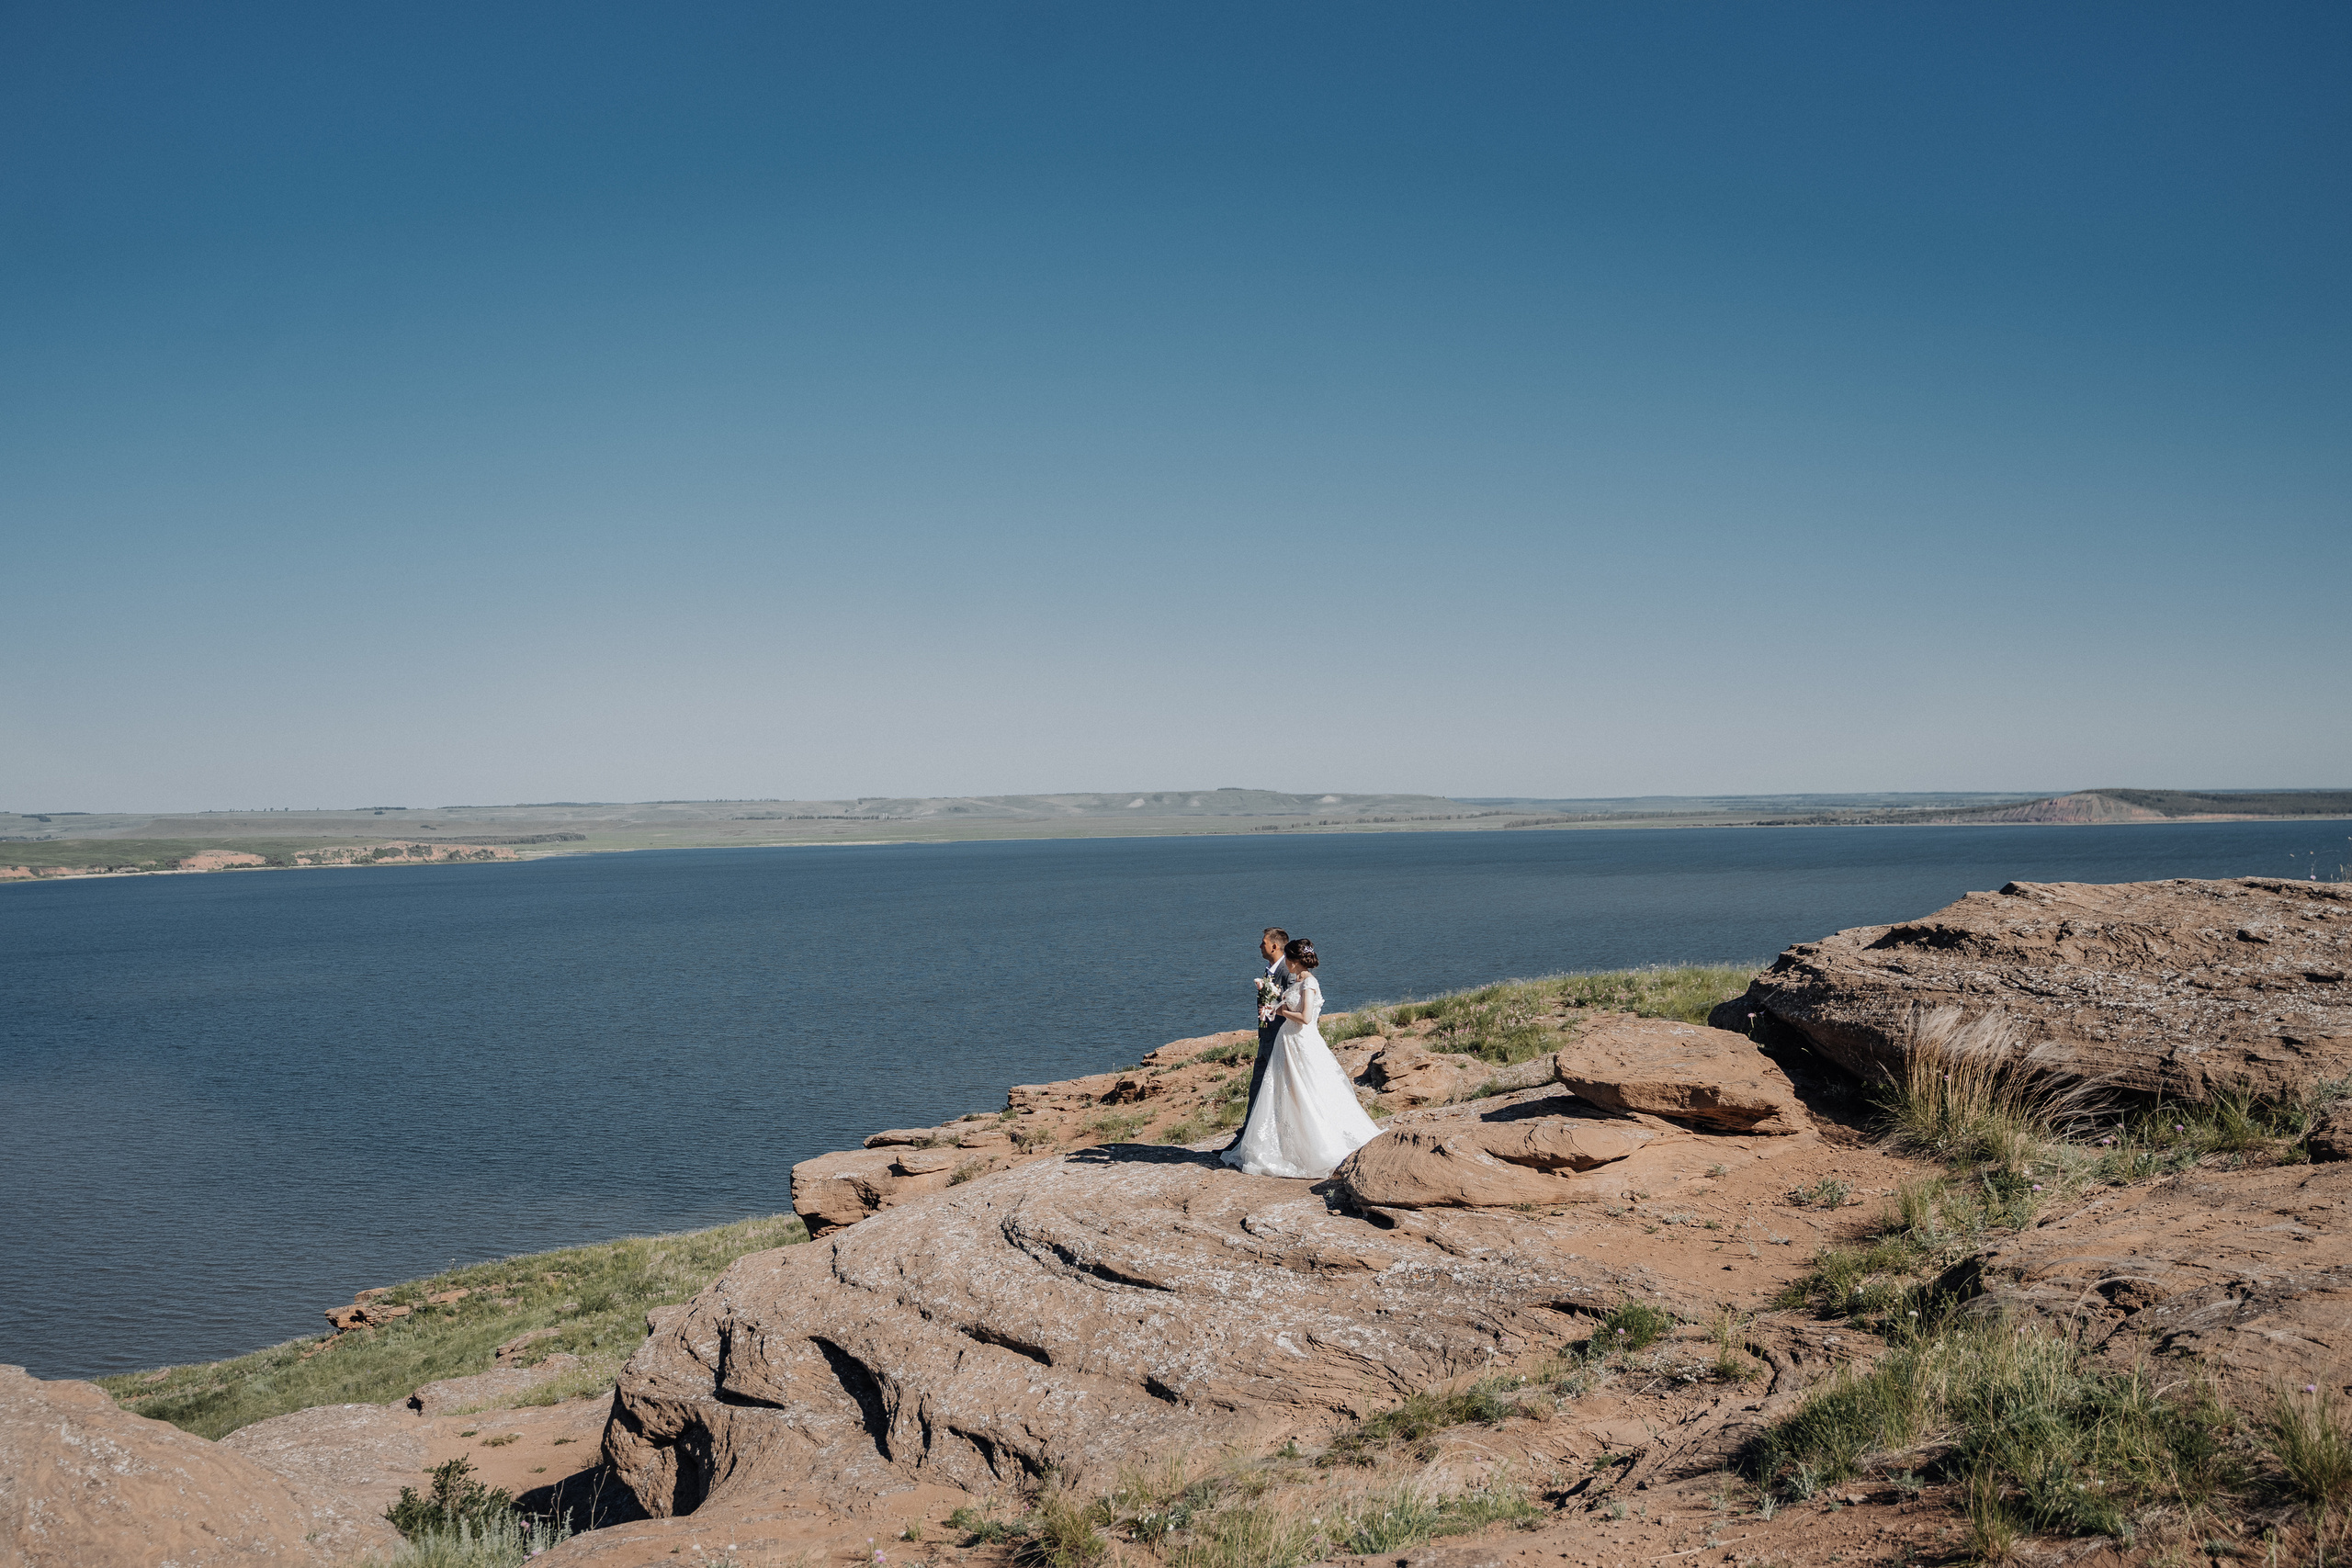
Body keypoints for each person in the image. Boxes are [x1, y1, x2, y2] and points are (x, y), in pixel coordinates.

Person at [1222, 937, 1384, 1179]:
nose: (1285, 962)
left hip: (1302, 1041)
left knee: (1308, 1090)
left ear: (1294, 960)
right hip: (1287, 1042)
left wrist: (1278, 1010)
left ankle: (1318, 1147)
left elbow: (1306, 1018)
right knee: (1287, 1092)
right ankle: (1289, 1146)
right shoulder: (1297, 980)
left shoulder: (1309, 983)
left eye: (1287, 958)